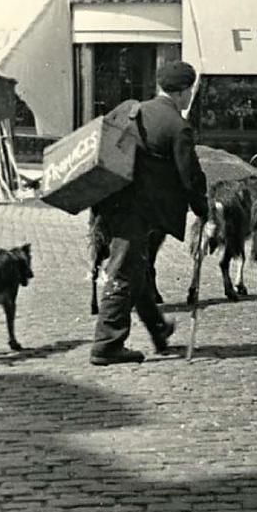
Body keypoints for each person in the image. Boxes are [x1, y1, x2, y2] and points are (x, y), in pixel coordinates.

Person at [90, 60, 209, 366]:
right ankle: (106, 344)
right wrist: (202, 210)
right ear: (186, 92)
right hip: (139, 211)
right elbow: (189, 177)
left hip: (110, 201)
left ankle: (157, 330)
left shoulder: (133, 109)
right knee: (124, 270)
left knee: (137, 268)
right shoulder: (178, 126)